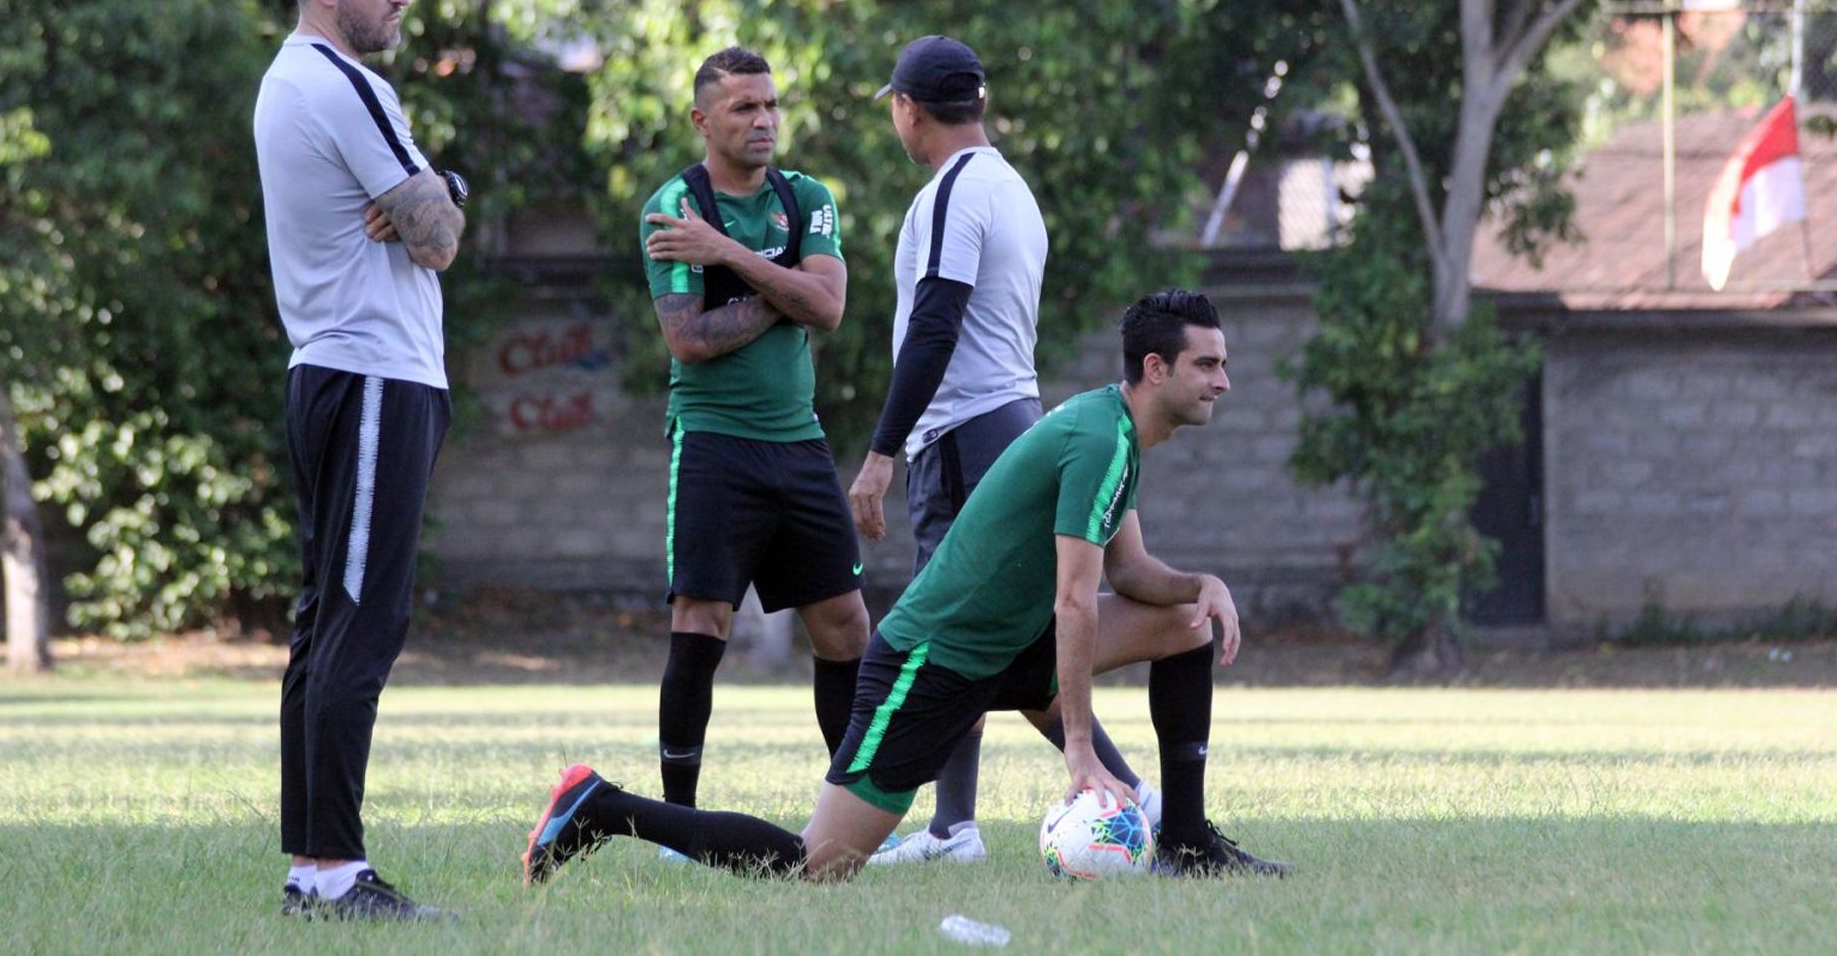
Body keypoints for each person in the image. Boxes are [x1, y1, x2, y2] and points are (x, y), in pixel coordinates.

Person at [522, 290, 1291, 884]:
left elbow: (1130, 575)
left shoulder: (1116, 434)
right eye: (1208, 364)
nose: (1223, 381)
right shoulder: (1098, 442)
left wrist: (1203, 583)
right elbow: (1073, 601)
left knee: (1189, 618)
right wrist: (1081, 753)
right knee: (815, 865)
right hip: (933, 661)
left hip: (1005, 645)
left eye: (1221, 364)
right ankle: (602, 808)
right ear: (1156, 369)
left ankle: (1186, 841)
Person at [845, 36, 1159, 865]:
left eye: (894, 107)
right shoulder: (1011, 186)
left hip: (966, 431)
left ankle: (1122, 794)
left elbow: (937, 321)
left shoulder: (954, 191)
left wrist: (882, 451)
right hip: (1008, 415)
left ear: (909, 108)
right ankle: (955, 825)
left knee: (960, 633)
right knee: (982, 631)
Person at [254, 0, 467, 920]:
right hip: (374, 371)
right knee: (359, 621)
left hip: (335, 371)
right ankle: (335, 874)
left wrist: (437, 186)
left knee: (323, 622)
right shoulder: (344, 82)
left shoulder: (291, 81)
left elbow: (425, 209)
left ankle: (311, 866)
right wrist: (441, 188)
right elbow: (439, 238)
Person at [636, 46, 871, 821]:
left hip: (798, 442)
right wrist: (790, 285)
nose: (764, 120)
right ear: (704, 120)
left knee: (845, 625)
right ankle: (680, 820)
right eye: (745, 107)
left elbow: (831, 310)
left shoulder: (807, 197)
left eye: (771, 105)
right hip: (712, 441)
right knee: (701, 621)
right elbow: (690, 340)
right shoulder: (675, 205)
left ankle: (848, 814)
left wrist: (732, 258)